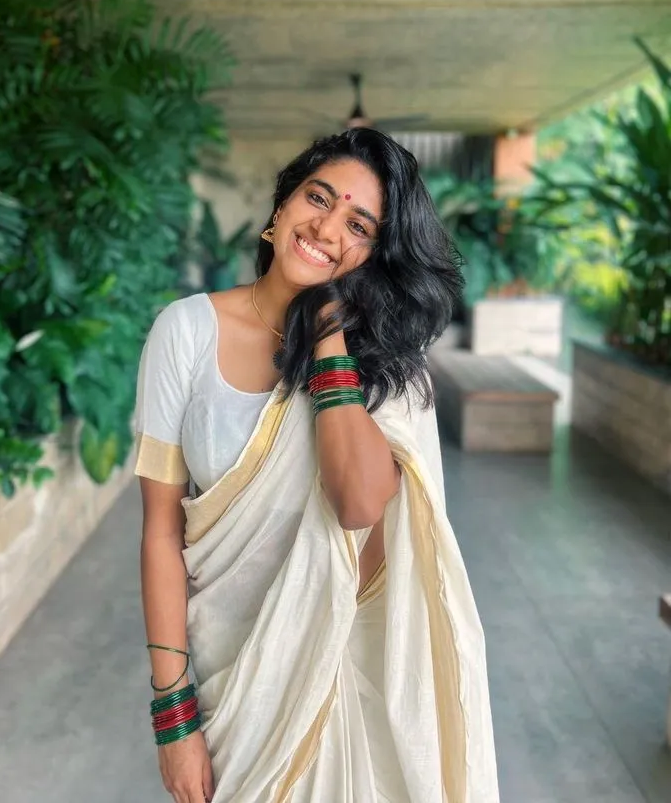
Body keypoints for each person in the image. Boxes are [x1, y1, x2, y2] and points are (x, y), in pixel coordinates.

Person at [134, 128, 500, 803]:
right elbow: (161, 533)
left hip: (341, 678)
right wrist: (172, 715)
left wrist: (329, 332)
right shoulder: (185, 332)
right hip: (230, 680)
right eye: (318, 198)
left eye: (358, 224)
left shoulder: (389, 373)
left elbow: (358, 505)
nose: (327, 227)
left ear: (375, 254)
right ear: (280, 209)